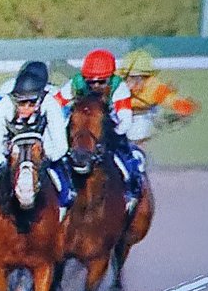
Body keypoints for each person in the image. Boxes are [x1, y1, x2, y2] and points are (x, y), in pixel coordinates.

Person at [0, 61, 74, 212]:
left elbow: (60, 144)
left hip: (42, 154)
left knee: (66, 194)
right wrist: (3, 162)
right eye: (21, 103)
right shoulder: (5, 105)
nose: (26, 108)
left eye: (31, 103)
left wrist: (45, 158)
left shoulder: (50, 104)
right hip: (9, 152)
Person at [54, 48, 145, 210]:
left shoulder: (119, 87)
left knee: (128, 156)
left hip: (110, 128)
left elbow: (124, 121)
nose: (95, 86)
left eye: (101, 82)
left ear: (110, 78)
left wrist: (110, 134)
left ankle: (132, 189)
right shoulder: (75, 83)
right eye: (91, 82)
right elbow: (55, 106)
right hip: (80, 130)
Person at [117, 49, 199, 147]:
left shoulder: (155, 88)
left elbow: (171, 100)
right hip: (119, 113)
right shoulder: (116, 84)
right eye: (127, 78)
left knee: (139, 131)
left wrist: (184, 107)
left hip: (144, 116)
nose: (130, 84)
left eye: (137, 78)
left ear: (146, 77)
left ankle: (137, 146)